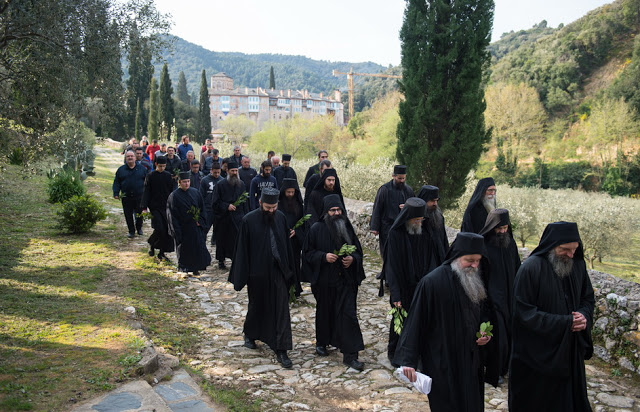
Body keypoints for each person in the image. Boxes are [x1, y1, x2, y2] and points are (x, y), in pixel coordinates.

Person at [395, 232, 493, 412]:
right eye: (469, 260)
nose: (474, 265)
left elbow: (484, 312)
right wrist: (408, 359)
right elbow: (416, 321)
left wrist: (485, 332)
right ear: (456, 256)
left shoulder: (475, 279)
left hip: (470, 358)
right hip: (443, 359)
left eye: (478, 260)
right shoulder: (432, 282)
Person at [509, 221, 594, 412]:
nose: (571, 254)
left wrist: (583, 316)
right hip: (537, 354)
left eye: (574, 249)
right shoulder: (531, 268)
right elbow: (523, 313)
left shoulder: (578, 265)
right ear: (551, 245)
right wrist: (565, 322)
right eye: (565, 250)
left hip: (569, 350)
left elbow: (587, 298)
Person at [229, 188, 296, 369]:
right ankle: (250, 334)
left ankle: (281, 349)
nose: (271, 211)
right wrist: (241, 276)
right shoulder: (248, 220)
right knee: (258, 305)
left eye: (274, 207)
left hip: (278, 271)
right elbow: (242, 250)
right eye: (268, 207)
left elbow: (286, 245)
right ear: (260, 204)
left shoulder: (281, 217)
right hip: (257, 272)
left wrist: (290, 271)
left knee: (281, 308)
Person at [302, 194, 365, 371]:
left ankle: (350, 355)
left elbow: (359, 252)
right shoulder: (316, 229)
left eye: (339, 210)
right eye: (333, 210)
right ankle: (322, 342)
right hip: (325, 281)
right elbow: (307, 254)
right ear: (325, 212)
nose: (337, 213)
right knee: (325, 313)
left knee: (348, 315)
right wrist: (323, 257)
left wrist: (353, 259)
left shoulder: (347, 228)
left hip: (345, 281)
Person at [382, 197, 430, 366]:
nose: (418, 222)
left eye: (420, 219)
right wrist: (395, 294)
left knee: (418, 321)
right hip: (402, 286)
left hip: (420, 284)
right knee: (399, 320)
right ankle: (395, 353)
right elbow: (392, 266)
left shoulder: (424, 232)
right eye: (415, 220)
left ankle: (414, 354)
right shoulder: (395, 234)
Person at [478, 208, 521, 383]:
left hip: (511, 297)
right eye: (499, 228)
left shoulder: (511, 244)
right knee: (497, 336)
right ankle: (494, 371)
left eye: (505, 228)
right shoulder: (484, 246)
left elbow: (518, 268)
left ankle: (507, 367)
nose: (503, 232)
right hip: (491, 299)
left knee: (511, 334)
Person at [370, 165, 415, 273]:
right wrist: (374, 227)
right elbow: (377, 208)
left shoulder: (408, 190)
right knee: (388, 253)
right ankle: (387, 276)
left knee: (401, 254)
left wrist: (407, 207)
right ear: (393, 176)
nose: (402, 180)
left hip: (403, 228)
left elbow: (415, 205)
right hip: (387, 227)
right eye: (399, 178)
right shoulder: (384, 189)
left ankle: (398, 277)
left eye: (403, 178)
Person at [167, 172, 211, 276]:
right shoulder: (174, 196)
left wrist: (200, 221)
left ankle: (196, 268)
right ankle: (184, 268)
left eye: (188, 181)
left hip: (195, 226)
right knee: (183, 248)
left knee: (197, 247)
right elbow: (172, 215)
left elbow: (202, 209)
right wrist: (176, 230)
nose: (186, 184)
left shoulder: (195, 192)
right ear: (179, 182)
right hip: (183, 227)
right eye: (184, 182)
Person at [211, 161, 249, 269]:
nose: (234, 173)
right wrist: (226, 206)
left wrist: (246, 216)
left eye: (236, 171)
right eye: (232, 171)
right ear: (227, 171)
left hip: (237, 217)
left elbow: (245, 201)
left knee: (236, 240)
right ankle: (221, 261)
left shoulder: (241, 184)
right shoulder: (220, 185)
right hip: (224, 218)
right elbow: (215, 202)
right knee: (222, 240)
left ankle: (235, 259)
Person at [141, 156, 174, 260]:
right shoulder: (150, 176)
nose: (162, 168)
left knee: (166, 230)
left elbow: (171, 191)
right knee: (159, 228)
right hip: (154, 206)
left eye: (164, 166)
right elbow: (146, 191)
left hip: (166, 207)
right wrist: (144, 207)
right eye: (160, 166)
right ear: (156, 165)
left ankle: (161, 252)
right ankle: (152, 243)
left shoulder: (168, 176)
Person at [278, 178, 306, 296]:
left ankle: (295, 288)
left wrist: (296, 231)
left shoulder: (299, 205)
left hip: (295, 240)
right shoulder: (279, 204)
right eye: (288, 192)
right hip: (282, 240)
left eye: (292, 192)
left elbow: (303, 223)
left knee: (295, 263)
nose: (290, 194)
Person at [113, 150, 147, 238]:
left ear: (135, 158)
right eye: (128, 156)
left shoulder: (142, 169)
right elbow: (116, 182)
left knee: (139, 214)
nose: (130, 158)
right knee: (128, 214)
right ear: (125, 158)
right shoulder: (121, 170)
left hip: (139, 196)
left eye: (132, 156)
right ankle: (131, 231)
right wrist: (116, 193)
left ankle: (139, 228)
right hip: (126, 197)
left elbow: (147, 183)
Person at [416, 185, 449, 271]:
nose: (435, 204)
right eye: (432, 201)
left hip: (437, 257)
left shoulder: (439, 216)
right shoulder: (415, 218)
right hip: (421, 259)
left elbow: (443, 238)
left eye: (436, 201)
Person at [200, 162, 224, 244]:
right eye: (215, 172)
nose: (217, 174)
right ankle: (202, 241)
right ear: (211, 171)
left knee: (217, 228)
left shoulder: (222, 180)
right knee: (205, 227)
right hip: (207, 208)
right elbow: (201, 195)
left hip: (218, 209)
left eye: (218, 172)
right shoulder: (205, 180)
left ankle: (214, 241)